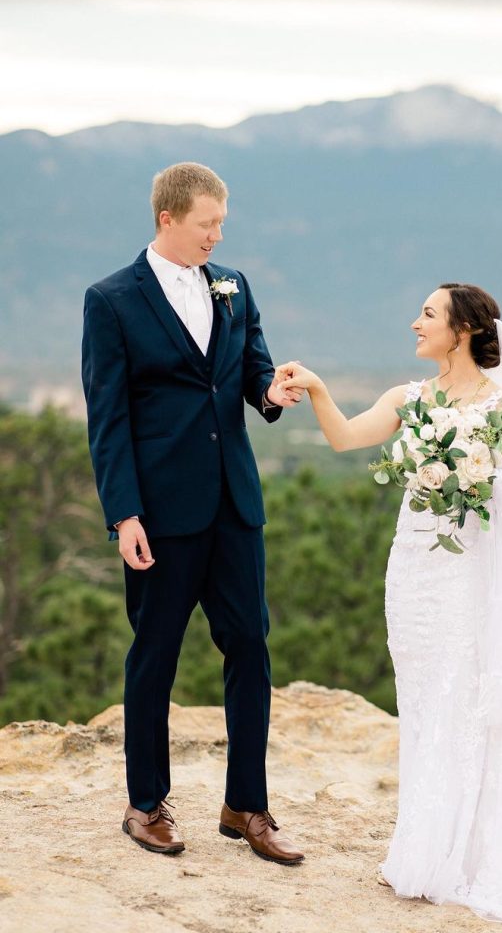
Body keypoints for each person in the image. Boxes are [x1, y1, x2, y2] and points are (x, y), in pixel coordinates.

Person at [275, 282, 502, 922]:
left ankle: (470, 859)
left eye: (427, 315)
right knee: (424, 702)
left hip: (472, 577)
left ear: (463, 331)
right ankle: (423, 851)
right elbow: (345, 438)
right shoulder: (409, 399)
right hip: (414, 573)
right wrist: (316, 388)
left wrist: (483, 482)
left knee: (464, 702)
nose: (414, 324)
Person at [81, 162, 305, 864]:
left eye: (221, 225)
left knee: (250, 648)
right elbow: (107, 418)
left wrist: (276, 390)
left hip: (235, 505)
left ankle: (247, 807)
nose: (217, 236)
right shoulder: (111, 299)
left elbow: (251, 378)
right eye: (207, 224)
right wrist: (125, 515)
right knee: (155, 655)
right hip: (160, 513)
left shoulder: (233, 286)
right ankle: (145, 804)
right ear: (168, 219)